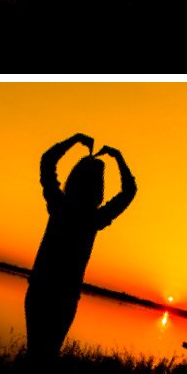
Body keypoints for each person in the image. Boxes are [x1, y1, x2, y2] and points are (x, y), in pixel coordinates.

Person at [25, 130, 136, 362]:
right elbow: (129, 192)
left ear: (73, 179)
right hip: (65, 296)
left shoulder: (59, 205)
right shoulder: (94, 219)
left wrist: (74, 139)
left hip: (41, 290)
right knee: (47, 356)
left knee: (35, 353)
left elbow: (47, 161)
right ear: (99, 189)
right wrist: (118, 158)